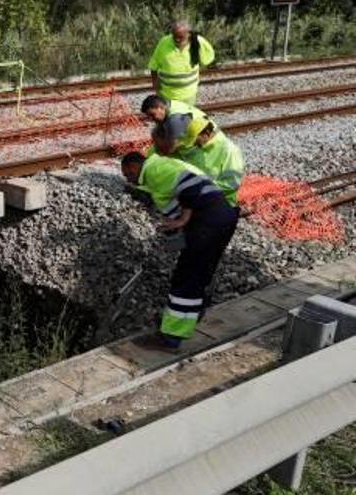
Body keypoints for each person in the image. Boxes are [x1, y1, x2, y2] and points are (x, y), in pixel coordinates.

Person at [120, 151, 239, 350]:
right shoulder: (162, 166)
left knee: (186, 277)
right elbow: (181, 197)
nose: (127, 179)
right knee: (199, 273)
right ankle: (193, 314)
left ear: (133, 167)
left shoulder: (155, 171)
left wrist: (182, 219)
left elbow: (189, 188)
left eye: (126, 174)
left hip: (207, 223)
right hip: (221, 218)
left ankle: (171, 338)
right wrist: (176, 225)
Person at [179, 117, 245, 208]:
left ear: (206, 134)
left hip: (221, 203)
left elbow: (231, 183)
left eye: (196, 140)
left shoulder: (229, 150)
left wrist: (202, 190)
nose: (194, 144)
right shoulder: (199, 148)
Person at [148, 21, 215, 106]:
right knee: (170, 118)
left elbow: (207, 59)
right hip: (167, 94)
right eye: (174, 36)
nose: (177, 39)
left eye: (180, 37)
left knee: (186, 117)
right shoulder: (164, 43)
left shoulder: (197, 42)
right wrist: (155, 82)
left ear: (188, 34)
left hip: (188, 94)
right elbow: (154, 64)